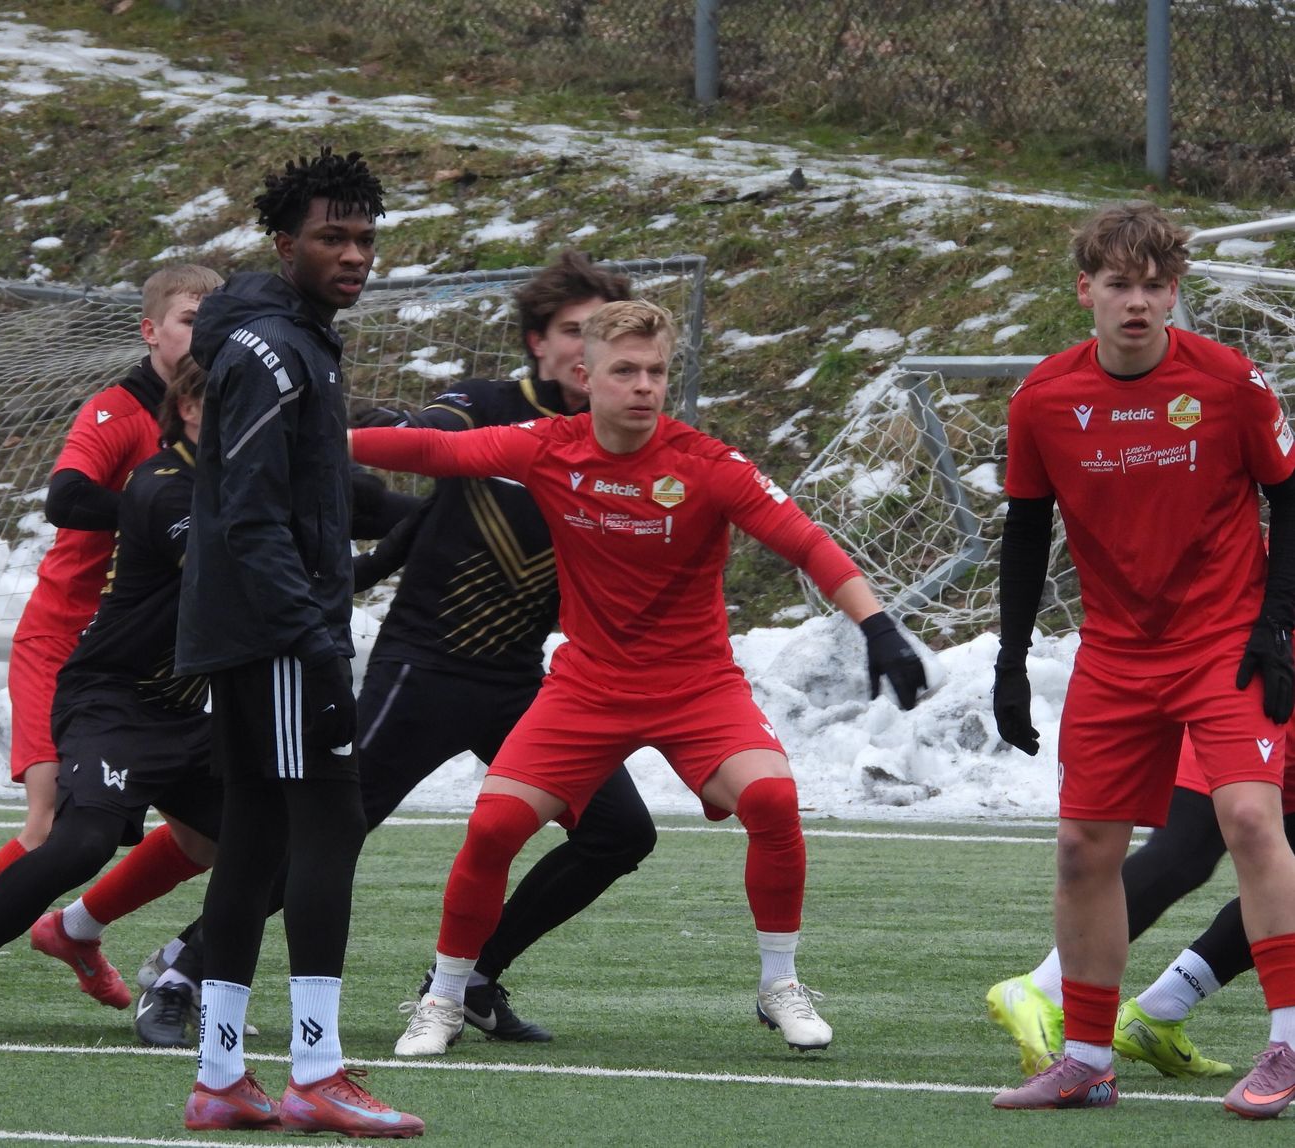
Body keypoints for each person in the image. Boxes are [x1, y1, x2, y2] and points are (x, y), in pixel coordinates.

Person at [350, 299, 928, 1059]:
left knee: (772, 799)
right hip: (587, 689)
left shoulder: (707, 465)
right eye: (625, 371)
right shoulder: (546, 447)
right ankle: (445, 997)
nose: (644, 386)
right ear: (585, 377)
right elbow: (432, 450)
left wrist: (877, 626)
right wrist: (320, 435)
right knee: (492, 827)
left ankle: (779, 985)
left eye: (656, 371)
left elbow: (807, 543)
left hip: (697, 688)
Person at [133, 251, 660, 1050]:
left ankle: (473, 977)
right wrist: (366, 438)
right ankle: (184, 969)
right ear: (540, 343)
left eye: (605, 335)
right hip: (424, 671)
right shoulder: (486, 406)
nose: (591, 348)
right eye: (573, 331)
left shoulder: (619, 444)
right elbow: (431, 430)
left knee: (620, 832)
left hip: (523, 684)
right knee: (326, 833)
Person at [989, 201, 1295, 1118]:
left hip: (1224, 642)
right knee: (1082, 850)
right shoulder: (1044, 399)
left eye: (1154, 286)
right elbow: (1025, 531)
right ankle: (1087, 1060)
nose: (1137, 302)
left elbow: (1290, 495)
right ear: (1084, 289)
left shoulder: (1230, 382)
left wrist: (1276, 623)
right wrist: (1010, 659)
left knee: (1250, 820)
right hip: (1116, 652)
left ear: (1174, 294)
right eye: (1119, 284)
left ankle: (1286, 1047)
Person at [174, 147, 422, 1137]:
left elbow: (306, 494)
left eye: (365, 238)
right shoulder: (275, 352)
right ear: (286, 245)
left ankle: (220, 1075)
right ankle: (316, 1069)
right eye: (332, 237)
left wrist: (394, 526)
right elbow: (251, 514)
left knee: (256, 839)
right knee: (328, 823)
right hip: (278, 637)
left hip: (257, 630)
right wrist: (313, 636)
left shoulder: (292, 341)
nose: (354, 254)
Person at [0, 359, 223, 1042]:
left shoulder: (238, 464)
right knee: (60, 834)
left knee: (252, 841)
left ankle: (124, 947)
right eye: (189, 316)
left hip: (173, 691)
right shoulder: (132, 435)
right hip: (81, 657)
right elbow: (66, 498)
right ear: (154, 334)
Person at [988, 731, 1295, 1079]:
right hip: (1257, 721)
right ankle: (1043, 986)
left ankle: (1159, 1012)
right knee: (1185, 852)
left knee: (1282, 884)